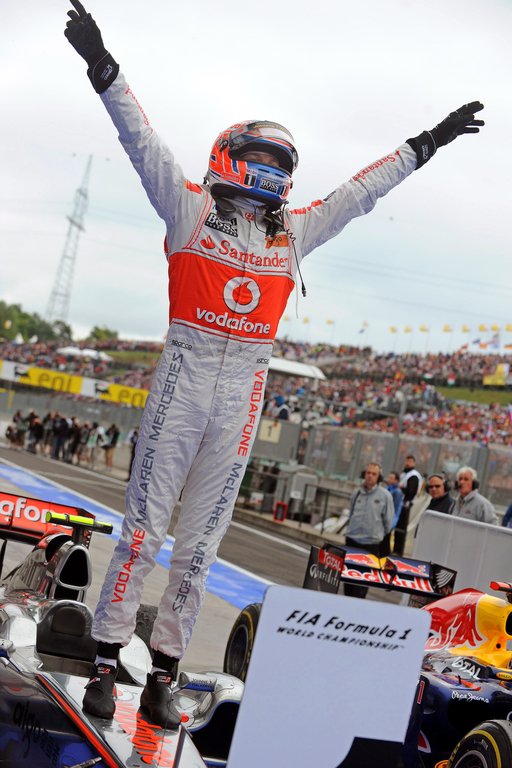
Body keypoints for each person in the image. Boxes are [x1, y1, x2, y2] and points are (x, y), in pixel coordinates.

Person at [64, 0, 485, 726]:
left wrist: (428, 142)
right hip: (186, 374)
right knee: (142, 529)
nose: (268, 173)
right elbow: (141, 141)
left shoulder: (294, 233)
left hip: (246, 388)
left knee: (201, 543)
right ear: (228, 157)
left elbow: (361, 192)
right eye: (258, 160)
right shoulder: (189, 209)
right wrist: (104, 67)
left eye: (277, 164)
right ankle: (105, 660)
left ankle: (163, 671)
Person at [344, 463, 394, 598]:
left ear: (379, 477)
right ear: (364, 474)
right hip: (352, 541)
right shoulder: (357, 492)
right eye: (368, 473)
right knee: (348, 580)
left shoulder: (385, 496)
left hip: (370, 544)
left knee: (361, 583)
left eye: (374, 474)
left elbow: (388, 522)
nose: (370, 476)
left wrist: (377, 535)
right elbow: (351, 513)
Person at [395, 454, 424, 555]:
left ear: (414, 463)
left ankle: (398, 551)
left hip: (405, 506)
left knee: (401, 530)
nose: (407, 463)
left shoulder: (413, 475)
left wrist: (401, 488)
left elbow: (411, 491)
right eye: (406, 461)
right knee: (397, 529)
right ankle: (395, 549)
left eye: (410, 461)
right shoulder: (405, 474)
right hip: (400, 504)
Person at [383, 470, 404, 555]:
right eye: (389, 477)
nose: (389, 479)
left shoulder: (397, 492)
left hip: (390, 519)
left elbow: (396, 508)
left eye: (391, 478)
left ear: (396, 480)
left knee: (385, 541)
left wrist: (392, 522)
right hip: (383, 517)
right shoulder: (387, 488)